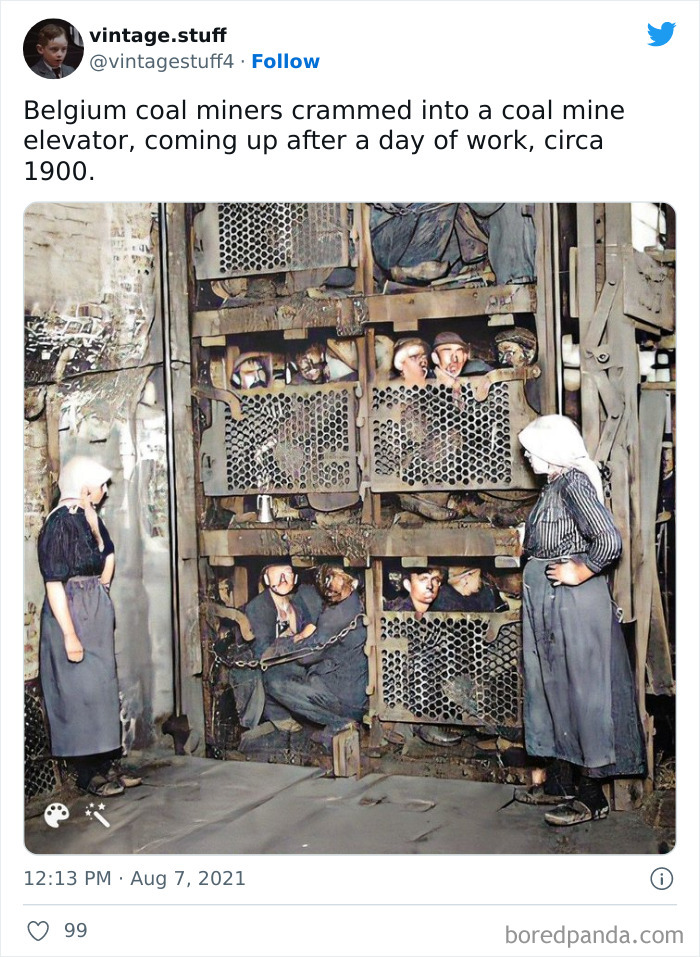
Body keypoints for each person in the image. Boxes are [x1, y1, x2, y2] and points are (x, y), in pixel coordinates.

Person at [515, 415, 646, 825]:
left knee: (579, 694)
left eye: (532, 450)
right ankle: (561, 783)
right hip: (551, 601)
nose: (527, 457)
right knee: (551, 690)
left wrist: (581, 570)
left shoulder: (573, 482)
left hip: (571, 602)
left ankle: (592, 799)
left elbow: (608, 541)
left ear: (552, 450)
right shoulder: (555, 485)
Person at [38, 456, 141, 797]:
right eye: (101, 485)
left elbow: (107, 554)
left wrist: (102, 590)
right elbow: (53, 582)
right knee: (79, 695)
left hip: (93, 606)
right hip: (70, 609)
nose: (105, 490)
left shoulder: (88, 517)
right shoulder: (59, 523)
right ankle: (87, 774)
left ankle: (107, 763)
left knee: (101, 691)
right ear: (84, 488)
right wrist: (69, 634)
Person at [263, 565, 368, 746]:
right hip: (357, 691)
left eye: (331, 578)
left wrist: (284, 643)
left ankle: (339, 723)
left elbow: (306, 657)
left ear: (351, 581)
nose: (325, 585)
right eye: (324, 578)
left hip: (346, 702)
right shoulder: (356, 602)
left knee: (274, 681)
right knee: (290, 670)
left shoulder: (336, 616)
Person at [231, 563, 322, 736]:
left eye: (287, 574)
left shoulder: (295, 602)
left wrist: (306, 632)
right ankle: (277, 714)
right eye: (277, 574)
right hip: (272, 667)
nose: (283, 579)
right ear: (266, 579)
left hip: (295, 656)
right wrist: (294, 640)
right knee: (277, 681)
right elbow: (263, 652)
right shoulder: (259, 607)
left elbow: (309, 625)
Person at [435, 566, 509, 612]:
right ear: (466, 579)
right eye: (478, 576)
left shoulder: (482, 596)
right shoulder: (445, 602)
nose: (480, 580)